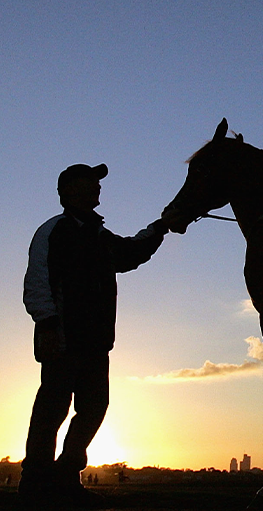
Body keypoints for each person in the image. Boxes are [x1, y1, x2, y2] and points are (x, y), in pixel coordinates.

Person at [19, 163, 167, 506]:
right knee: (51, 410)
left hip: (96, 342)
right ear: (69, 191)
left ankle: (65, 477)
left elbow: (129, 254)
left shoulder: (98, 235)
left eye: (97, 183)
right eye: (90, 182)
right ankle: (35, 482)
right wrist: (49, 324)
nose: (97, 188)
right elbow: (37, 282)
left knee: (94, 406)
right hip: (62, 339)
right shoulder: (52, 231)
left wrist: (159, 229)